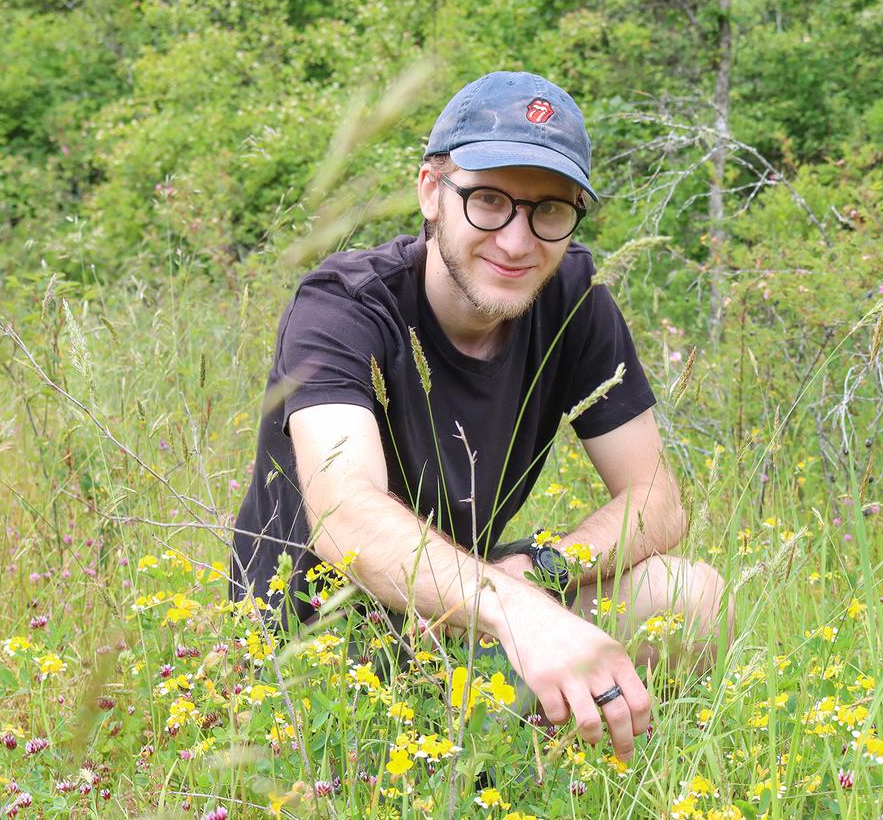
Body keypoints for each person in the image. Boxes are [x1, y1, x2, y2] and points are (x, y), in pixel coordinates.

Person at [230, 71, 725, 762]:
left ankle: (588, 775)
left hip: (462, 618)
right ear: (431, 192)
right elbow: (346, 517)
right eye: (489, 201)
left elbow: (658, 501)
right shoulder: (344, 306)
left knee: (692, 595)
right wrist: (517, 612)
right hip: (318, 650)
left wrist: (539, 572)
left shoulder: (574, 299)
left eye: (549, 210)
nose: (518, 243)